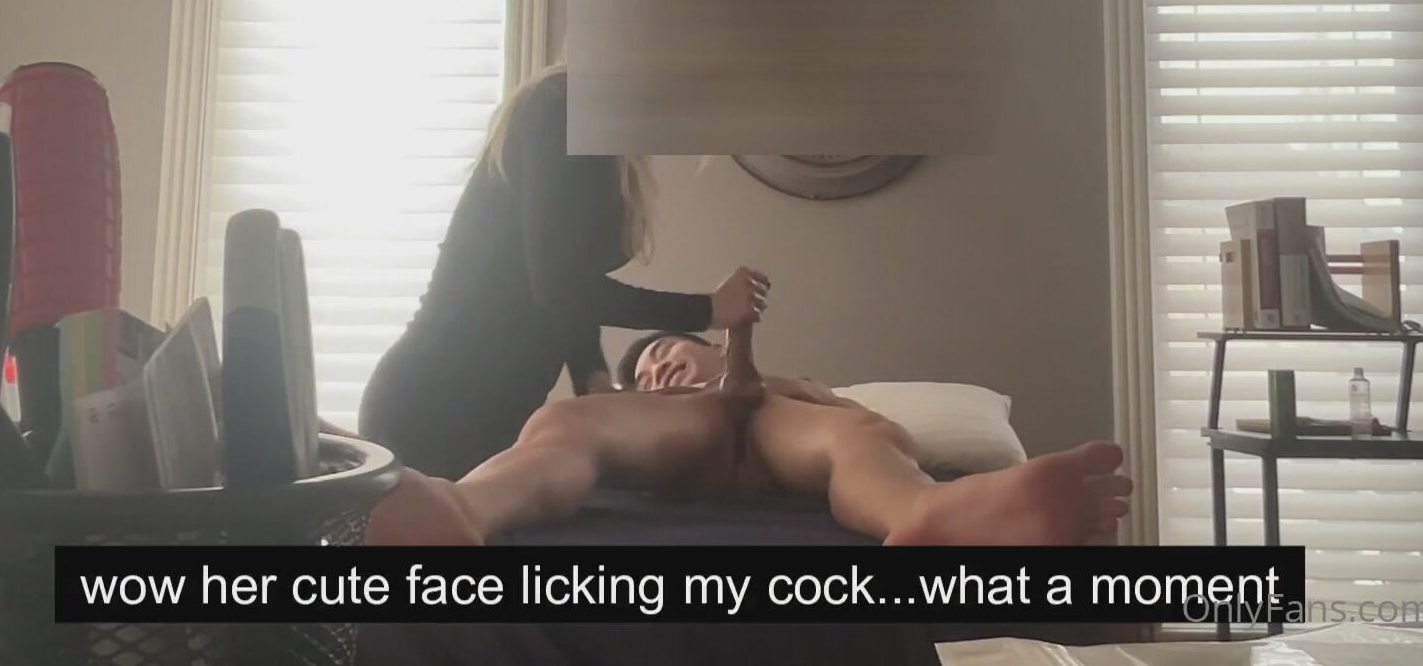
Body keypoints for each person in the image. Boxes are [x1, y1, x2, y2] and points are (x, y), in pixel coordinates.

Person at [367, 320, 1132, 548]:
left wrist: (757, 368)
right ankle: (461, 508)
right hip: (680, 441)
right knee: (563, 429)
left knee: (859, 439)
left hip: (778, 435)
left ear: (707, 346)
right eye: (645, 371)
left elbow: (851, 419)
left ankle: (924, 513)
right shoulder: (652, 405)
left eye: (669, 352)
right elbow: (602, 420)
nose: (658, 367)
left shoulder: (783, 387)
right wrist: (654, 394)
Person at [358, 65, 770, 480]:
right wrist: (706, 310)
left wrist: (591, 374)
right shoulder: (560, 106)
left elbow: (565, 278)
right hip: (437, 405)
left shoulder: (599, 137)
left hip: (488, 413)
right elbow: (561, 288)